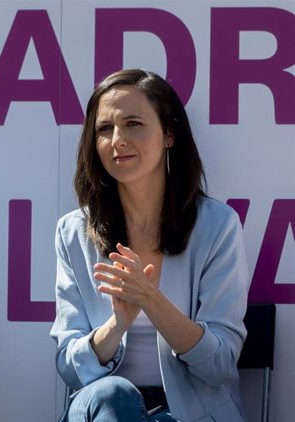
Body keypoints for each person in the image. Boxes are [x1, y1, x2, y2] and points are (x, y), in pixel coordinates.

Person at [50, 69, 250, 422]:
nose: (117, 140)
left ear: (169, 133)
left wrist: (151, 301)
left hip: (187, 413)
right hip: (101, 409)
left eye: (133, 124)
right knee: (113, 394)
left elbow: (219, 366)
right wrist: (117, 324)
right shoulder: (73, 231)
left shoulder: (217, 225)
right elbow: (70, 368)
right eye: (104, 129)